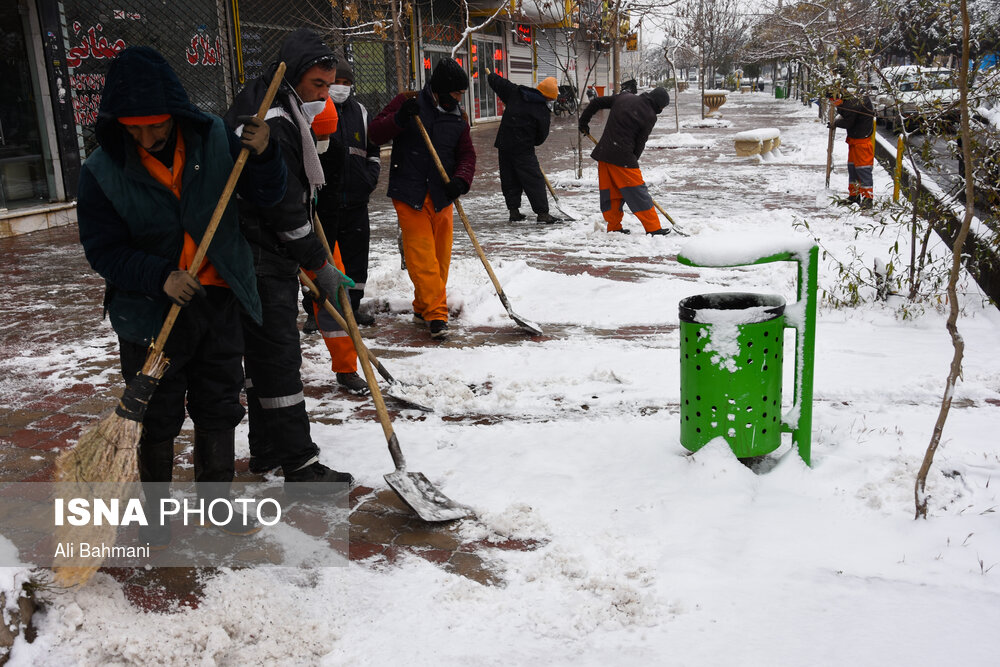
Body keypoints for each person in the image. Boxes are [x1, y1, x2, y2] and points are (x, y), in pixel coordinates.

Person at [77, 46, 286, 547]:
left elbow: (269, 196)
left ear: (175, 113)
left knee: (218, 406)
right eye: (134, 129)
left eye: (156, 127)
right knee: (155, 415)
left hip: (216, 301)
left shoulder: (215, 138)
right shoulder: (101, 171)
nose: (147, 139)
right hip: (150, 315)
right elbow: (103, 251)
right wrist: (159, 276)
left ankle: (217, 506)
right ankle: (154, 519)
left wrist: (266, 155)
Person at [224, 28, 355, 486]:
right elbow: (282, 209)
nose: (325, 94)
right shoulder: (275, 119)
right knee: (279, 359)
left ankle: (265, 451)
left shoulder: (271, 100)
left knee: (264, 361)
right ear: (297, 74)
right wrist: (319, 262)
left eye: (329, 84)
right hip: (262, 254)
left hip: (257, 250)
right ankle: (299, 462)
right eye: (319, 85)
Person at [369, 57, 476, 340]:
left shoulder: (458, 116)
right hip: (410, 192)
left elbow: (467, 154)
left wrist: (461, 180)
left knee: (440, 259)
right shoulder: (408, 102)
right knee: (422, 258)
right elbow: (375, 133)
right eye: (455, 93)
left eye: (461, 94)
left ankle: (422, 306)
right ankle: (437, 315)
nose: (458, 98)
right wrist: (400, 118)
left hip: (442, 195)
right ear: (440, 89)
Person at [312, 57, 382, 394]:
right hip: (318, 208)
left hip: (353, 199)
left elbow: (372, 148)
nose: (336, 87)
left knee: (353, 264)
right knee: (322, 272)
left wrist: (368, 179)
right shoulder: (310, 111)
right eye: (330, 82)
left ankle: (350, 313)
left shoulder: (360, 112)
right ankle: (318, 308)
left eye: (342, 81)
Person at [578, 86, 671, 235]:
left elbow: (596, 103)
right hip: (623, 158)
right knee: (639, 193)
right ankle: (653, 228)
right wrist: (632, 163)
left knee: (610, 193)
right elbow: (640, 142)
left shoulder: (624, 97)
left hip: (604, 154)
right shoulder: (650, 115)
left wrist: (583, 123)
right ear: (659, 105)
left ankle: (614, 226)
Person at [486, 69, 559, 224]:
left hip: (504, 144)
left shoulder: (516, 92)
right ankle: (542, 214)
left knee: (509, 178)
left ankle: (514, 212)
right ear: (548, 97)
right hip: (523, 149)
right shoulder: (542, 110)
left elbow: (498, 83)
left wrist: (492, 76)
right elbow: (541, 137)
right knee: (534, 180)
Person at [830, 89, 875, 209]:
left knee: (863, 169)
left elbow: (848, 122)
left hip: (862, 142)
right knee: (853, 169)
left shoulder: (853, 103)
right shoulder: (850, 101)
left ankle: (867, 198)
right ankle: (854, 195)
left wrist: (836, 123)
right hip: (854, 140)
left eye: (834, 100)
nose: (833, 103)